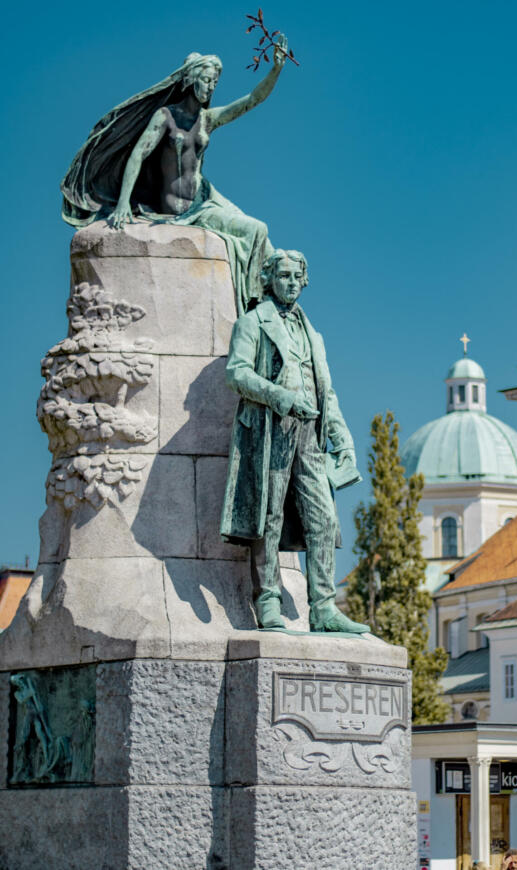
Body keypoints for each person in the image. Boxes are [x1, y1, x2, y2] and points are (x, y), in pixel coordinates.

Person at [61, 43, 288, 315]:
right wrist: (123, 203)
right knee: (256, 231)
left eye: (215, 82)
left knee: (260, 233)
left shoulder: (208, 119)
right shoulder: (165, 116)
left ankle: (265, 305)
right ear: (191, 79)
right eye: (206, 80)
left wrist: (276, 69)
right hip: (176, 210)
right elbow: (138, 154)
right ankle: (255, 307)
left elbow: (251, 99)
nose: (211, 87)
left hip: (202, 203)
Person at [220, 249, 368, 633]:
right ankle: (267, 599)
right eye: (282, 276)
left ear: (305, 280)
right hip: (271, 430)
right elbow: (236, 373)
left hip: (311, 436)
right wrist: (281, 397)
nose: (289, 283)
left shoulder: (312, 332)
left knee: (323, 519)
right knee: (268, 516)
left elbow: (326, 391)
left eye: (295, 277)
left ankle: (323, 608)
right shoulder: (253, 322)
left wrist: (343, 439)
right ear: (269, 279)